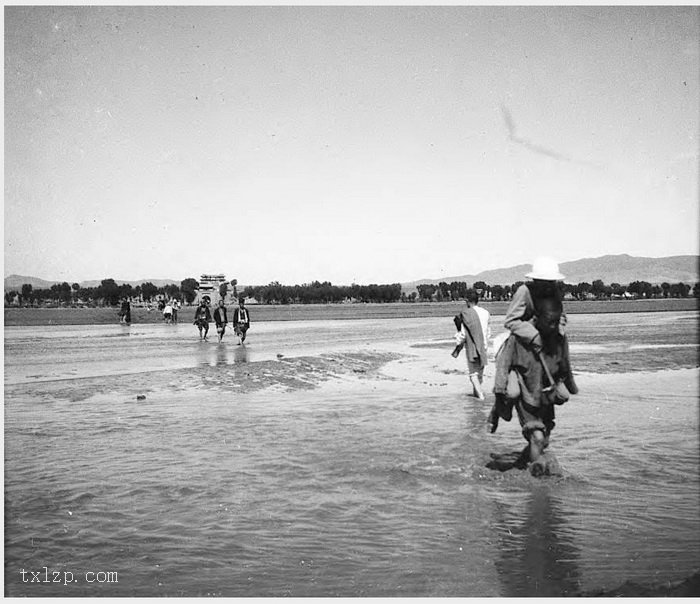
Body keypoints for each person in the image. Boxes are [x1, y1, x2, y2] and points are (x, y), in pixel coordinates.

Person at [489, 297, 578, 476]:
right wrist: (499, 393)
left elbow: (564, 364)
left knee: (543, 440)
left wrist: (567, 385)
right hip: (526, 391)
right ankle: (537, 485)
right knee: (537, 438)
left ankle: (526, 465)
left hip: (545, 394)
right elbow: (503, 365)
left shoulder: (559, 337)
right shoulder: (519, 337)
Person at [452, 289, 491, 399]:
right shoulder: (486, 313)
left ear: (467, 301)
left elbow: (463, 334)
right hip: (483, 346)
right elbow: (488, 333)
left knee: (473, 375)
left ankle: (481, 397)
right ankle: (477, 395)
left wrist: (458, 343)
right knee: (479, 375)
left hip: (472, 348)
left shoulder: (466, 314)